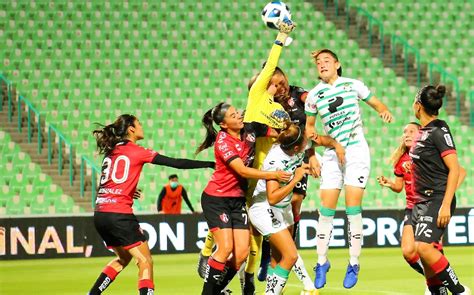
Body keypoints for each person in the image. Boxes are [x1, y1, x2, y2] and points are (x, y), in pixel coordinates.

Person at [198, 18, 297, 295]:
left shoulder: (255, 125)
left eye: (280, 81)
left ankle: (243, 281)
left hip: (255, 184)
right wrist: (280, 38)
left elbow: (276, 136)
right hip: (250, 182)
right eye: (273, 80)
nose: (278, 84)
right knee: (230, 245)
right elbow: (269, 65)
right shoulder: (255, 99)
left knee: (244, 249)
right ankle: (208, 255)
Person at [88, 114, 214, 295]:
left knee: (122, 258)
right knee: (145, 261)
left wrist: (128, 190)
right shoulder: (137, 151)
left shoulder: (111, 152)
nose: (141, 126)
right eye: (139, 123)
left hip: (100, 214)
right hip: (119, 215)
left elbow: (107, 183)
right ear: (131, 129)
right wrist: (208, 164)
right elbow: (175, 163)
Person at [304, 48, 393, 289]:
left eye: (326, 61)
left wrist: (383, 111)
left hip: (356, 151)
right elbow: (309, 130)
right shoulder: (314, 95)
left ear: (337, 64)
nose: (321, 65)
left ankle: (353, 262)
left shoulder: (353, 85)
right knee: (326, 211)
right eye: (318, 63)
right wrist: (315, 149)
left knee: (353, 209)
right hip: (332, 154)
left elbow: (376, 103)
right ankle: (321, 262)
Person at [196, 102, 292, 295]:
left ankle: (217, 290)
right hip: (217, 199)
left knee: (241, 253)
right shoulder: (223, 142)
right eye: (233, 116)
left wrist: (286, 126)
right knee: (225, 248)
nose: (239, 116)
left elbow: (277, 133)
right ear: (223, 125)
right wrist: (273, 175)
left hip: (237, 200)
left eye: (237, 112)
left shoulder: (250, 128)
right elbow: (242, 170)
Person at [377, 122, 466, 295]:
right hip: (412, 208)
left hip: (432, 205)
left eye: (411, 131)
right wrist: (390, 184)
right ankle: (437, 280)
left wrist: (445, 196)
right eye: (404, 131)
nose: (407, 134)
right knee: (409, 252)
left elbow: (460, 172)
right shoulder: (401, 160)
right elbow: (399, 186)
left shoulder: (429, 153)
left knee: (426, 250)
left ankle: (451, 288)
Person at [410, 85, 470, 294]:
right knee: (425, 257)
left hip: (436, 199)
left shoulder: (438, 129)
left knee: (423, 248)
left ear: (418, 106)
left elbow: (455, 168)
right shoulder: (423, 132)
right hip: (421, 201)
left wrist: (445, 204)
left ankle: (459, 290)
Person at [249, 122, 318, 295]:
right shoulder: (275, 162)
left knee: (277, 257)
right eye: (303, 144)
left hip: (283, 207)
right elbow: (271, 197)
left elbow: (316, 141)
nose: (306, 144)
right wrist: (296, 179)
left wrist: (316, 158)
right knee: (291, 256)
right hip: (264, 207)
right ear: (296, 148)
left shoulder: (293, 145)